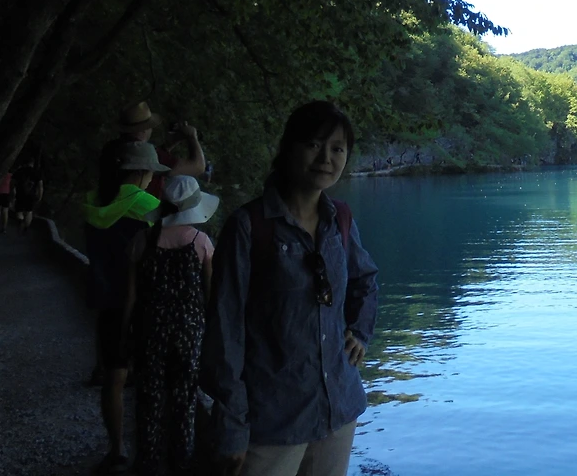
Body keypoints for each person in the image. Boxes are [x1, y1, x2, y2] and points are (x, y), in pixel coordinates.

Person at [202, 101, 379, 476]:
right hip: (271, 418)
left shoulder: (340, 219)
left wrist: (360, 332)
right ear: (289, 148)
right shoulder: (249, 226)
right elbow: (225, 326)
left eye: (337, 149)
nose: (326, 158)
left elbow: (364, 279)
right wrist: (232, 423)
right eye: (314, 145)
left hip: (338, 407)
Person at [124, 175, 219, 476]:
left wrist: (123, 331)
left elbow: (131, 295)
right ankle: (182, 462)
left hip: (149, 332)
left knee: (148, 399)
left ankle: (148, 462)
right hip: (189, 337)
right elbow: (210, 296)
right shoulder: (200, 243)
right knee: (185, 401)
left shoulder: (142, 240)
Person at [85, 140, 167, 475]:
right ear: (140, 172)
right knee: (151, 378)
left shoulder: (91, 202)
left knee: (114, 377)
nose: (152, 178)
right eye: (150, 172)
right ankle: (151, 450)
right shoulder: (148, 206)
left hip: (106, 301)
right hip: (143, 304)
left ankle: (116, 449)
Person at [100, 101, 206, 202]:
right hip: (138, 215)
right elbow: (198, 167)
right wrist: (192, 137)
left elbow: (154, 157)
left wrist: (173, 141)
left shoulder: (112, 147)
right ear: (144, 129)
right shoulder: (143, 156)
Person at [13, 161, 44, 234]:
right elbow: (40, 187)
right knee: (29, 212)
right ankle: (26, 227)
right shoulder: (37, 172)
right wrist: (39, 196)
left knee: (19, 211)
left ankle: (20, 221)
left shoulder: (20, 171)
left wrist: (12, 191)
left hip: (20, 194)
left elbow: (12, 182)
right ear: (33, 164)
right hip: (31, 196)